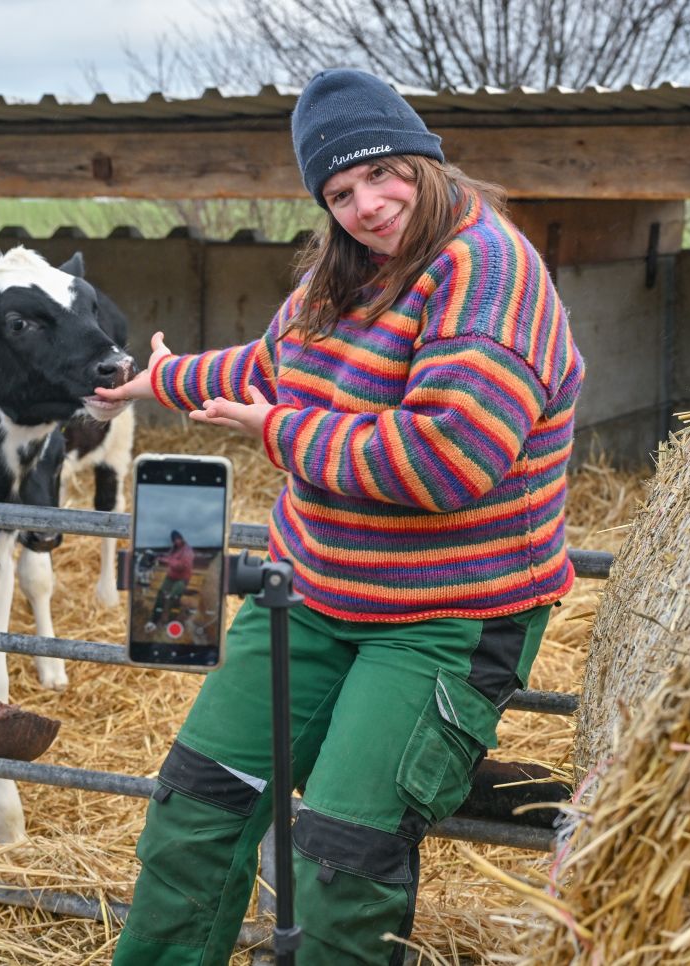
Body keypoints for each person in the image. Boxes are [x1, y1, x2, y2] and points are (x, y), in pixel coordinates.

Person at [98, 67, 583, 966]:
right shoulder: (344, 272)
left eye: (381, 175)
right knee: (195, 812)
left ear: (423, 160)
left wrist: (279, 433)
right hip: (313, 594)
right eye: (339, 191)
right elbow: (277, 363)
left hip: (443, 616)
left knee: (342, 868)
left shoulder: (490, 272)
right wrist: (156, 379)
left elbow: (447, 460)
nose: (366, 204)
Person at [145, 529, 196, 632]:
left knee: (174, 598)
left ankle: (171, 622)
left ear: (181, 538)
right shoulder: (174, 549)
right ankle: (154, 621)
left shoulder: (187, 551)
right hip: (171, 577)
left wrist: (169, 561)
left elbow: (183, 566)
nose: (176, 541)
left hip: (182, 579)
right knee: (161, 595)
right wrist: (159, 558)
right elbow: (169, 558)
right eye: (174, 539)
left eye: (178, 539)